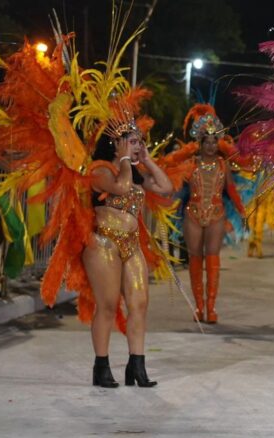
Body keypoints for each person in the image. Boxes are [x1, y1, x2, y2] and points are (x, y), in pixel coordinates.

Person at [86, 121, 174, 388]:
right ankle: (101, 367)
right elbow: (121, 188)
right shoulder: (101, 170)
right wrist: (125, 159)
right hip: (104, 245)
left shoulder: (136, 175)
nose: (139, 146)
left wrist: (147, 160)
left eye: (141, 141)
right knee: (108, 306)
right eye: (134, 141)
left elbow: (166, 187)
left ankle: (136, 365)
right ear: (117, 143)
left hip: (131, 246)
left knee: (139, 304)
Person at [180, 105, 244, 324]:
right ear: (200, 143)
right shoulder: (191, 163)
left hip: (216, 213)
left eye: (213, 141)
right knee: (195, 258)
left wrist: (243, 211)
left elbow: (232, 190)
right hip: (193, 213)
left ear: (219, 143)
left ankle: (211, 307)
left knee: (213, 259)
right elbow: (173, 179)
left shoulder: (222, 164)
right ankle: (198, 307)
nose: (210, 146)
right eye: (206, 141)